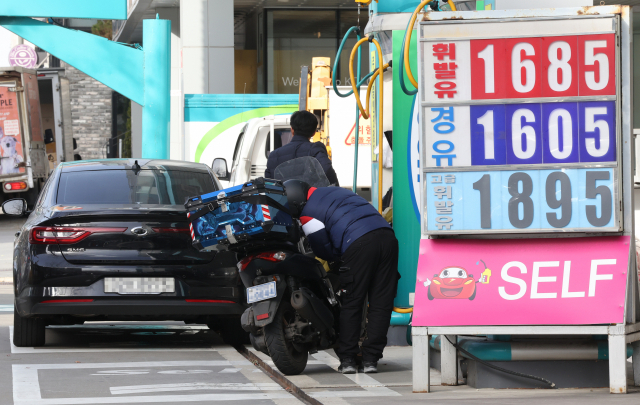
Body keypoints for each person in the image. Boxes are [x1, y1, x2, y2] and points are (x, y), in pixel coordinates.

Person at [284, 179, 399, 374]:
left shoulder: (307, 214)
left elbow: (322, 248)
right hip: (388, 238)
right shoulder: (336, 191)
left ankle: (348, 360)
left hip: (358, 242)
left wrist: (338, 260)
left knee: (352, 301)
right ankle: (371, 360)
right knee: (381, 303)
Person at [264, 111, 339, 186]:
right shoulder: (315, 150)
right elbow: (327, 172)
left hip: (282, 197)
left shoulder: (274, 155)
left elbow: (269, 184)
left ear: (292, 129)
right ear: (314, 132)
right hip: (311, 197)